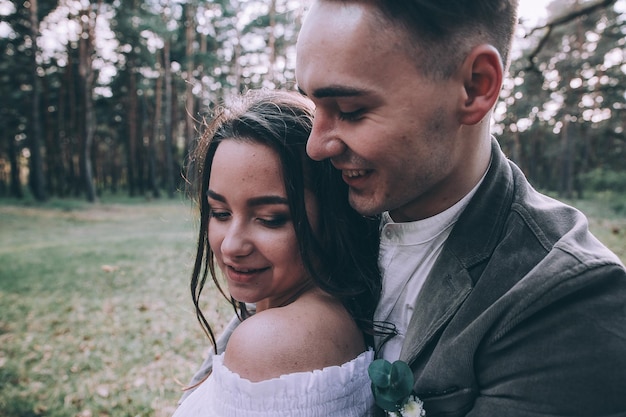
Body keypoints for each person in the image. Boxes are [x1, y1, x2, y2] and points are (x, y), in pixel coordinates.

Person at [293, 1, 626, 416]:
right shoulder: (313, 215)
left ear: (475, 86)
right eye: (311, 106)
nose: (316, 145)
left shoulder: (567, 300)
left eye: (350, 111)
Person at [174, 89, 382, 416]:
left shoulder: (271, 342)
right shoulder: (293, 310)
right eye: (219, 212)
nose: (231, 245)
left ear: (332, 218)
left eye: (271, 219)